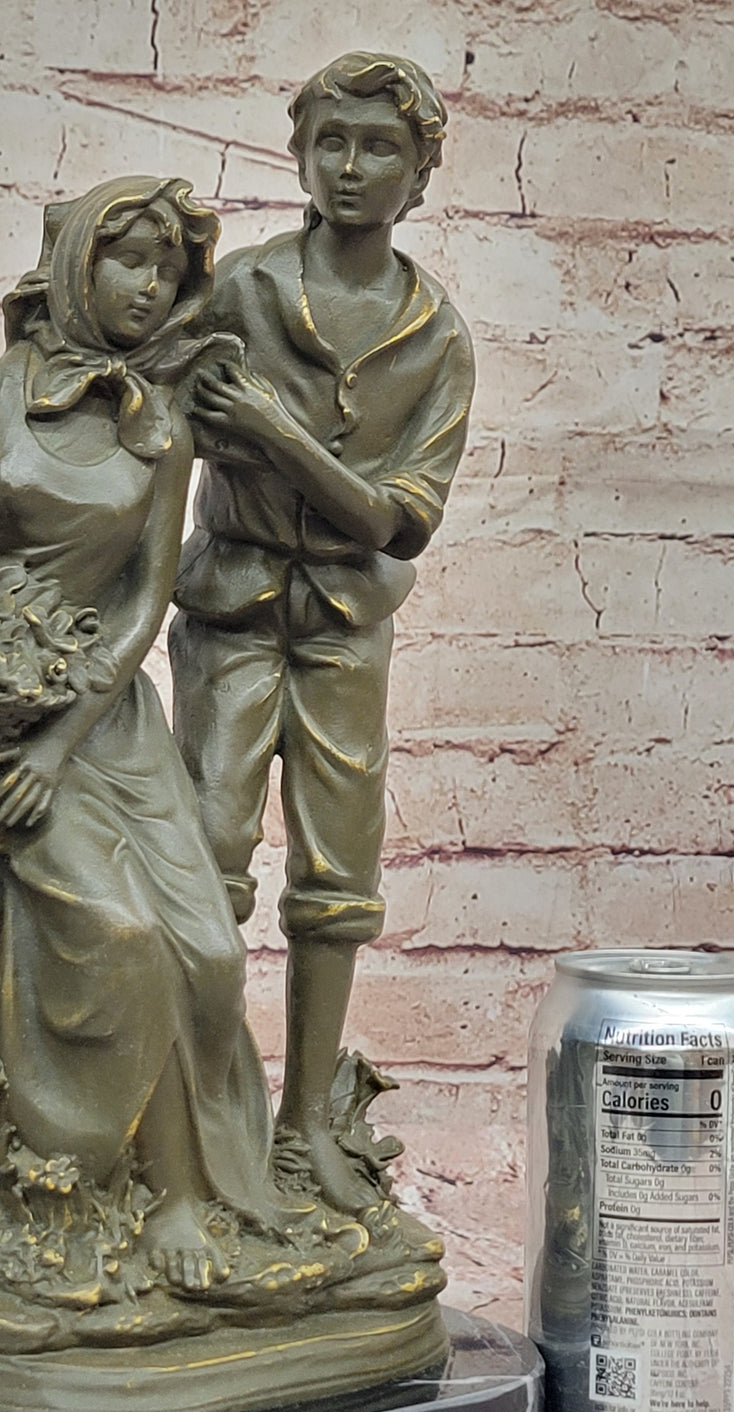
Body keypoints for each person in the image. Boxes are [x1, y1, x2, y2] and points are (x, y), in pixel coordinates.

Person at [0, 177, 279, 1292]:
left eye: (167, 269)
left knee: (209, 948)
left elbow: (143, 603)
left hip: (104, 724)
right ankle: (146, 1186)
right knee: (120, 935)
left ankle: (201, 1187)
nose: (149, 286)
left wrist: (62, 740)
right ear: (78, 266)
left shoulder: (159, 427)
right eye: (129, 260)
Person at [170, 54, 475, 1213]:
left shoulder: (435, 337)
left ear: (419, 172)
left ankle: (304, 1127)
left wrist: (276, 434)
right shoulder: (239, 292)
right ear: (299, 156)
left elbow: (393, 525)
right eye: (330, 143)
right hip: (232, 610)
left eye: (379, 147)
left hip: (346, 624)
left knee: (338, 878)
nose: (350, 168)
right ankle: (203, 1126)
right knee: (206, 858)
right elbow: (161, 438)